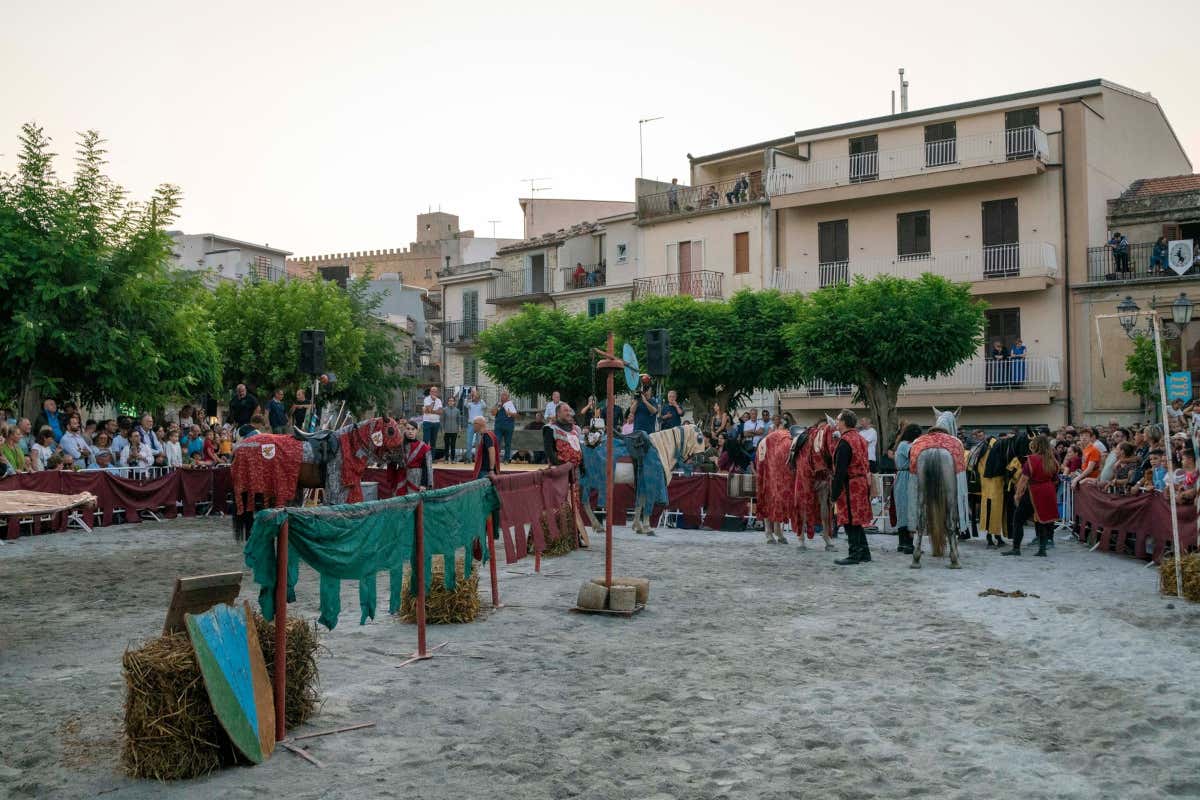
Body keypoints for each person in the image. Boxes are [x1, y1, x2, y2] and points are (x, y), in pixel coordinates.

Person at [1006, 434, 1059, 557]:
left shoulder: (1031, 460)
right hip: (1048, 491)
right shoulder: (1053, 460)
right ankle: (1042, 549)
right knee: (1042, 520)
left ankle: (1016, 548)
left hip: (1033, 491)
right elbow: (1055, 479)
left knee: (1018, 519)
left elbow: (1023, 480)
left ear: (1035, 445)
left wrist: (1017, 495)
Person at [831, 409, 873, 565]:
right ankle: (864, 553)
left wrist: (834, 494)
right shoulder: (860, 438)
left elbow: (840, 470)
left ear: (844, 422)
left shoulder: (845, 442)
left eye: (838, 419)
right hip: (860, 482)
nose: (836, 422)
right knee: (856, 520)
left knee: (850, 520)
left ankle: (854, 554)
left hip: (850, 485)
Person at [892, 423, 922, 555]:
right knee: (906, 509)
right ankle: (906, 544)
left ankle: (902, 543)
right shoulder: (906, 445)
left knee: (904, 509)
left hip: (905, 476)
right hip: (906, 477)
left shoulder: (903, 444)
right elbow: (916, 456)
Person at [389, 420, 433, 495]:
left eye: (413, 429)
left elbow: (426, 467)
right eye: (408, 429)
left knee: (416, 503)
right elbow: (392, 464)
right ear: (404, 430)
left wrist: (423, 484)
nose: (410, 431)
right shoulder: (399, 446)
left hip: (416, 480)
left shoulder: (424, 447)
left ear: (417, 431)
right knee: (400, 502)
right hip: (401, 479)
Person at [493, 391, 519, 462]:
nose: (502, 397)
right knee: (496, 441)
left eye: (504, 395)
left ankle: (506, 459)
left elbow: (517, 416)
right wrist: (497, 407)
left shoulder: (511, 404)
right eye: (501, 395)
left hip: (509, 426)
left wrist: (510, 413)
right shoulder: (498, 404)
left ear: (508, 397)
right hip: (498, 427)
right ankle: (496, 458)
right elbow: (493, 413)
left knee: (508, 443)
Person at [464, 389, 487, 463]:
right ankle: (469, 459)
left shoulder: (481, 404)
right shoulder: (470, 404)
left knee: (479, 443)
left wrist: (478, 396)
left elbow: (485, 405)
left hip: (480, 425)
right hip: (471, 424)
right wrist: (469, 396)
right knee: (469, 442)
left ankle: (478, 459)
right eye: (474, 396)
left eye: (476, 396)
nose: (475, 397)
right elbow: (465, 404)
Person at [441, 394, 461, 462]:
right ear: (448, 402)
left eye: (452, 401)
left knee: (453, 445)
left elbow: (458, 420)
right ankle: (446, 459)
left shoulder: (457, 410)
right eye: (449, 401)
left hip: (454, 430)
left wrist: (459, 429)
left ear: (454, 402)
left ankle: (452, 459)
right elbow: (442, 420)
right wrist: (443, 429)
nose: (451, 402)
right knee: (446, 445)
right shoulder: (444, 410)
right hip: (446, 430)